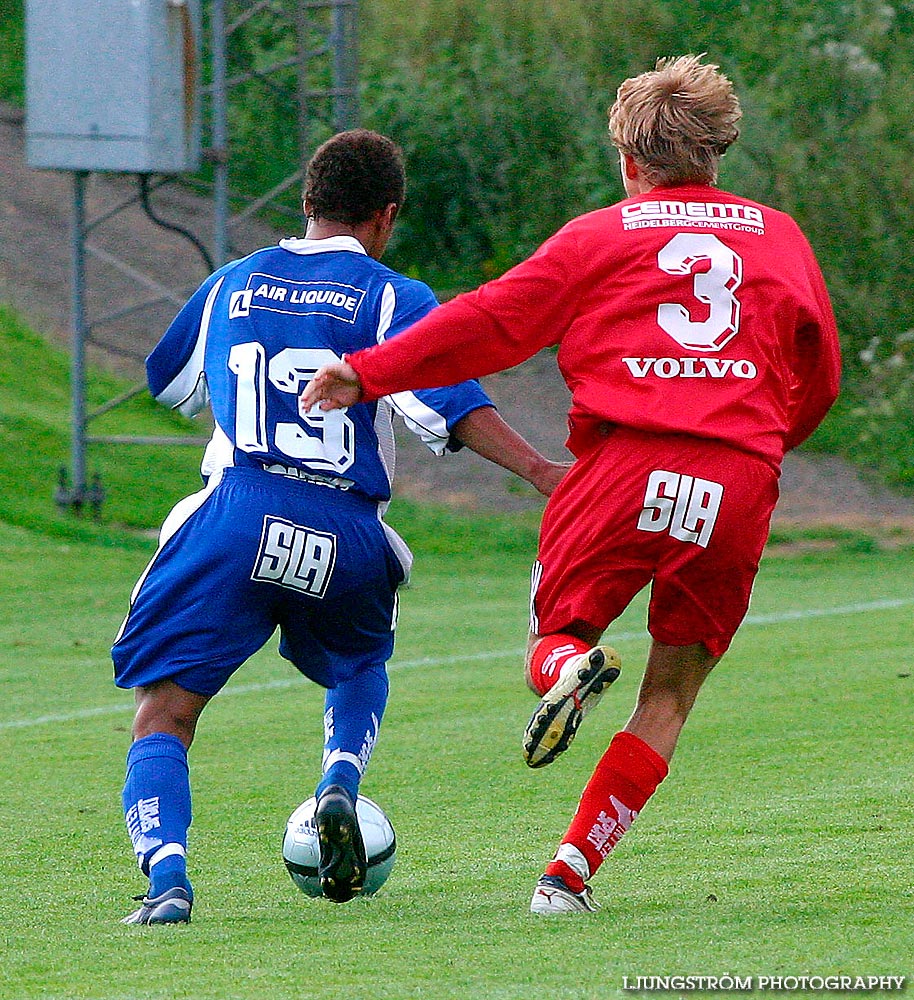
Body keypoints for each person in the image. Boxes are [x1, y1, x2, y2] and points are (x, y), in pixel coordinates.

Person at [299, 58, 842, 915]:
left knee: (556, 635)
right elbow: (821, 373)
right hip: (736, 478)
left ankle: (570, 663)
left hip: (623, 465)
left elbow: (489, 323)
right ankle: (567, 875)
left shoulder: (600, 236)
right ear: (718, 154)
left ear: (628, 161)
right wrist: (763, 447)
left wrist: (367, 373)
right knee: (671, 693)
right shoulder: (781, 237)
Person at [112, 129, 566, 924]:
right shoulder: (389, 295)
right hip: (343, 525)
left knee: (165, 713)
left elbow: (168, 377)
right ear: (386, 217)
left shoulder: (231, 284)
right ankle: (339, 780)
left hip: (238, 508)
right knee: (359, 661)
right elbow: (455, 406)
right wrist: (540, 472)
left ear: (307, 203)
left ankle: (168, 882)